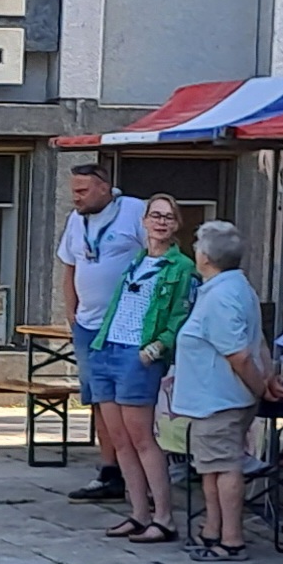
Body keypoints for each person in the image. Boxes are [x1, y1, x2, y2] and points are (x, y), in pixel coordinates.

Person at [170, 220, 283, 562]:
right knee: (210, 467)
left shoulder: (220, 296)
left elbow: (239, 354)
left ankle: (231, 539)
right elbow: (257, 339)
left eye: (197, 247)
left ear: (206, 257)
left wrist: (260, 386)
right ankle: (212, 529)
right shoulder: (235, 286)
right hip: (217, 398)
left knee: (224, 467)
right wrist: (267, 376)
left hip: (218, 399)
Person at [87, 193, 197, 544]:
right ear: (144, 221)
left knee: (142, 438)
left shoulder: (181, 268)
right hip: (107, 348)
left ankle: (163, 517)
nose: (161, 222)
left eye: (169, 217)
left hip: (138, 354)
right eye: (156, 215)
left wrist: (158, 346)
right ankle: (138, 513)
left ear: (177, 224)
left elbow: (180, 315)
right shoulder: (136, 261)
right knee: (119, 440)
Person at [57, 165, 147, 504]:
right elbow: (69, 266)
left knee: (129, 399)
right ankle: (109, 471)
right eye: (74, 191)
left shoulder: (133, 211)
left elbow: (157, 257)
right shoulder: (75, 219)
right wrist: (71, 312)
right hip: (88, 325)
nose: (76, 198)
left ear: (105, 188)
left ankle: (140, 472)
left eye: (82, 191)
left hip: (127, 326)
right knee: (98, 398)